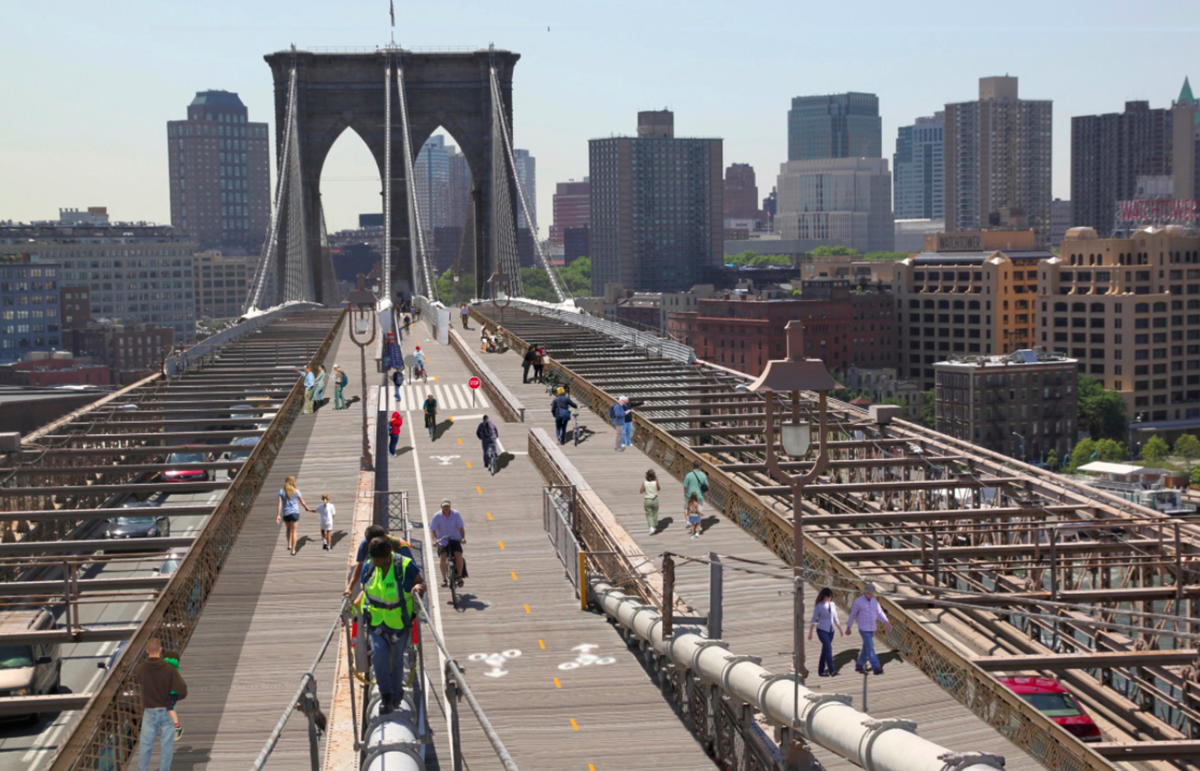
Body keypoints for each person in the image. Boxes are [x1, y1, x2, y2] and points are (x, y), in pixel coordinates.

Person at [362, 535, 426, 715]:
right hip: (377, 622)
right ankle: (386, 696)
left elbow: (421, 582)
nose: (375, 562)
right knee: (378, 655)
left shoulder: (404, 566)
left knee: (397, 660)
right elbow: (364, 591)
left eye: (378, 559)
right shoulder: (369, 567)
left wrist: (418, 589)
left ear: (388, 555)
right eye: (373, 558)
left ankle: (397, 695)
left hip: (399, 622)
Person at [135, 637, 188, 771]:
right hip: (166, 710)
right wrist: (174, 697)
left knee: (145, 745)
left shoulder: (140, 669)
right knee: (166, 746)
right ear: (160, 650)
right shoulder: (169, 669)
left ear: (147, 651)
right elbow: (182, 689)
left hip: (150, 710)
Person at [345, 524, 416, 597]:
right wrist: (349, 587)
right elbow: (360, 565)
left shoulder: (400, 545)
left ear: (385, 538)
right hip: (376, 588)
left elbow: (413, 570)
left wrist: (416, 587)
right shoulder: (365, 544)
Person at [845, 583, 891, 675]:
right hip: (863, 629)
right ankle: (876, 667)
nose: (871, 595)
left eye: (872, 593)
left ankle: (859, 666)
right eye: (869, 593)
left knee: (866, 648)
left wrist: (886, 622)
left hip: (872, 628)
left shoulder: (875, 602)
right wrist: (848, 627)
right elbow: (852, 615)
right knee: (870, 647)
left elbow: (879, 613)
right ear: (865, 592)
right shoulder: (858, 602)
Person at [429, 499, 466, 587]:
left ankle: (459, 577)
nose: (446, 508)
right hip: (443, 541)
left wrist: (463, 538)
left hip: (454, 539)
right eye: (444, 506)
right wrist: (435, 540)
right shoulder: (437, 516)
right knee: (443, 557)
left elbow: (461, 528)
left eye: (448, 506)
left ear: (450, 506)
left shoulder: (456, 514)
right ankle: (444, 579)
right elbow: (433, 530)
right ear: (441, 507)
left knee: (459, 555)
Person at [276, 474, 314, 556]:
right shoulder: (296, 491)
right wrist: (307, 508)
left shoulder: (281, 491)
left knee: (288, 529)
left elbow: (279, 504)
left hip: (286, 514)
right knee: (294, 531)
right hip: (295, 513)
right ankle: (293, 550)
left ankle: (289, 545)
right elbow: (302, 502)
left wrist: (278, 515)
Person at [809, 587, 842, 677]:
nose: (829, 598)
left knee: (825, 651)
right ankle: (832, 671)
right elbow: (813, 619)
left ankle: (821, 671)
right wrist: (810, 633)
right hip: (822, 630)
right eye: (828, 596)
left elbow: (835, 618)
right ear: (824, 596)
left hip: (831, 631)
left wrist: (840, 628)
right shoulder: (819, 606)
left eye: (830, 596)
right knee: (829, 649)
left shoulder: (833, 605)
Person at [163, 649, 184, 738]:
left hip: (173, 692)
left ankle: (177, 727)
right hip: (170, 692)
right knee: (167, 708)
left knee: (169, 707)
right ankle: (172, 726)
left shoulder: (174, 666)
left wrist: (165, 660)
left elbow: (174, 662)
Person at [639, 469, 660, 535]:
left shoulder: (645, 483)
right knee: (655, 513)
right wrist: (657, 482)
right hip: (655, 499)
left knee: (649, 514)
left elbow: (641, 491)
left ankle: (651, 527)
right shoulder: (655, 483)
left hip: (648, 500)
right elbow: (658, 489)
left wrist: (645, 489)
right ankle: (654, 526)